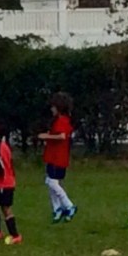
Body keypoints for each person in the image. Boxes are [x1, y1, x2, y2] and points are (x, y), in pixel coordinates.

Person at [37, 92, 78, 223]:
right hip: (52, 156)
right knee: (51, 183)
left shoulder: (62, 120)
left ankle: (68, 205)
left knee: (51, 182)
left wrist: (46, 136)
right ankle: (57, 209)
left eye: (53, 107)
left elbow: (62, 136)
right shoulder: (57, 121)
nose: (51, 109)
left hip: (58, 157)